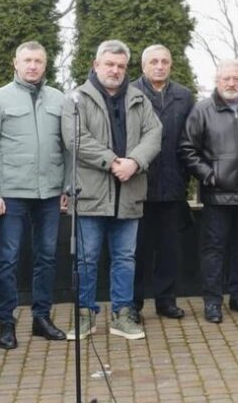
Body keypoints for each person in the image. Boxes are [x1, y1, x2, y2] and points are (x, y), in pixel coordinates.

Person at [63, 40, 162, 341]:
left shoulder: (140, 99)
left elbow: (154, 133)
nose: (115, 70)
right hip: (91, 193)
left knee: (124, 258)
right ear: (96, 65)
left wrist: (135, 161)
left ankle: (122, 314)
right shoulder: (76, 99)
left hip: (129, 192)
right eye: (109, 64)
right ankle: (83, 316)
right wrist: (112, 161)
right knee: (86, 258)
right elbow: (74, 139)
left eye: (120, 66)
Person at [0, 41, 68, 349]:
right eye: (27, 60)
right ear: (15, 63)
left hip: (49, 194)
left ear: (45, 65)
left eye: (38, 61)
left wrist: (66, 187)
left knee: (47, 257)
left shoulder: (59, 99)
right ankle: (6, 321)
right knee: (8, 260)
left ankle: (42, 318)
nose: (32, 66)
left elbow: (67, 147)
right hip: (10, 194)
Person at [180, 59, 238, 323]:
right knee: (214, 250)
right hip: (217, 194)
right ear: (217, 81)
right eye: (226, 78)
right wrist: (209, 176)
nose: (231, 83)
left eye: (236, 78)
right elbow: (187, 149)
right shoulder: (202, 110)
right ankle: (212, 302)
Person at [132, 45, 195, 320]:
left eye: (165, 62)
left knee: (169, 249)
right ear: (144, 66)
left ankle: (166, 300)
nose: (160, 66)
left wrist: (186, 176)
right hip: (138, 186)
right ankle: (132, 304)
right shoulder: (131, 93)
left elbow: (191, 139)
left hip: (173, 185)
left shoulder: (184, 96)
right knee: (137, 250)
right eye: (154, 62)